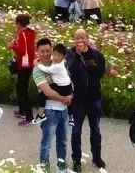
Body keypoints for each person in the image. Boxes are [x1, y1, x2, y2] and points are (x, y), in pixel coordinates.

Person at [66, 28, 106, 171]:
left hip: (94, 98)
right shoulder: (70, 55)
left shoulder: (97, 55)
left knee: (95, 129)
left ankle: (97, 156)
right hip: (78, 100)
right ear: (74, 40)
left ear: (88, 39)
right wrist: (78, 56)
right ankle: (76, 160)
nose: (80, 41)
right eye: (77, 38)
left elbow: (101, 72)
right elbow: (70, 71)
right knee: (76, 131)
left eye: (82, 38)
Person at [34, 38, 73, 172]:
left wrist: (71, 96)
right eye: (42, 51)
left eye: (48, 51)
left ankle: (61, 168)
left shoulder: (59, 63)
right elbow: (47, 92)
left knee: (62, 142)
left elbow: (69, 82)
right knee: (46, 144)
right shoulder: (38, 71)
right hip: (50, 111)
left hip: (63, 111)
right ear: (37, 52)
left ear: (52, 50)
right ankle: (44, 170)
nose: (45, 54)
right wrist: (64, 99)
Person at [10, 13, 38, 125]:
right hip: (29, 64)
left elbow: (22, 51)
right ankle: (22, 110)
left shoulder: (23, 34)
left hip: (24, 65)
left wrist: (13, 46)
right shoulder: (29, 33)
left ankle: (29, 116)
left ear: (18, 24)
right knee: (20, 86)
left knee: (22, 89)